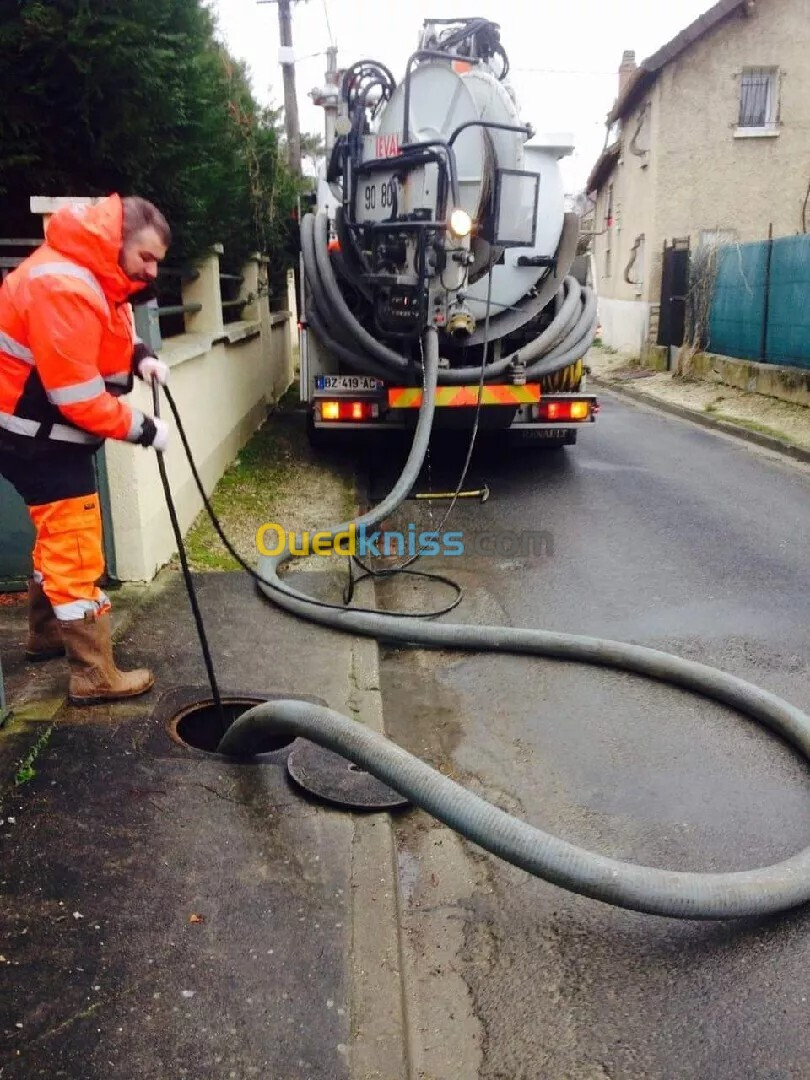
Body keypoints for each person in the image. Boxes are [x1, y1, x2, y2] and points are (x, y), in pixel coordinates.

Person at [0, 193, 171, 705]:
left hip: (41, 433)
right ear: (116, 242)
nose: (153, 269)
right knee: (75, 545)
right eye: (146, 256)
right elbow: (74, 395)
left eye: (159, 260)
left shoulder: (92, 273)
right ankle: (93, 675)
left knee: (58, 536)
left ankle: (46, 635)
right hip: (37, 439)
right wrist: (142, 428)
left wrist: (140, 356)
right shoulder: (63, 284)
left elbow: (102, 333)